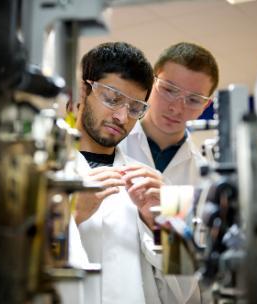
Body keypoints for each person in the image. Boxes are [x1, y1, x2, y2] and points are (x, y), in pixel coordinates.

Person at [118, 42, 220, 303]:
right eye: (169, 90)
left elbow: (187, 282)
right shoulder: (114, 150)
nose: (177, 107)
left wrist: (170, 216)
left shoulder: (206, 177)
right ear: (152, 82)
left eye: (193, 100)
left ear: (206, 105)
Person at [66, 41, 166, 304]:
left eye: (135, 108)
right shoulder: (40, 171)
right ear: (83, 90)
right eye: (112, 99)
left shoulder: (153, 179)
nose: (122, 117)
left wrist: (160, 227)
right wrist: (69, 217)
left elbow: (188, 288)